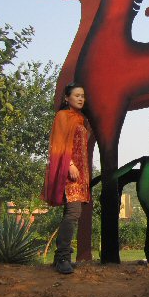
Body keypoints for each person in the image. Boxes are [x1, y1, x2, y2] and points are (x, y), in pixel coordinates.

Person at [42, 82, 91, 274]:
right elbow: (58, 143)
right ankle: (63, 256)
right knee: (73, 213)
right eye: (77, 95)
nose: (81, 98)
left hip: (80, 173)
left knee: (72, 213)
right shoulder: (63, 116)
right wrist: (69, 164)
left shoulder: (80, 118)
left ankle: (60, 257)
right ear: (66, 98)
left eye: (83, 96)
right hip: (68, 171)